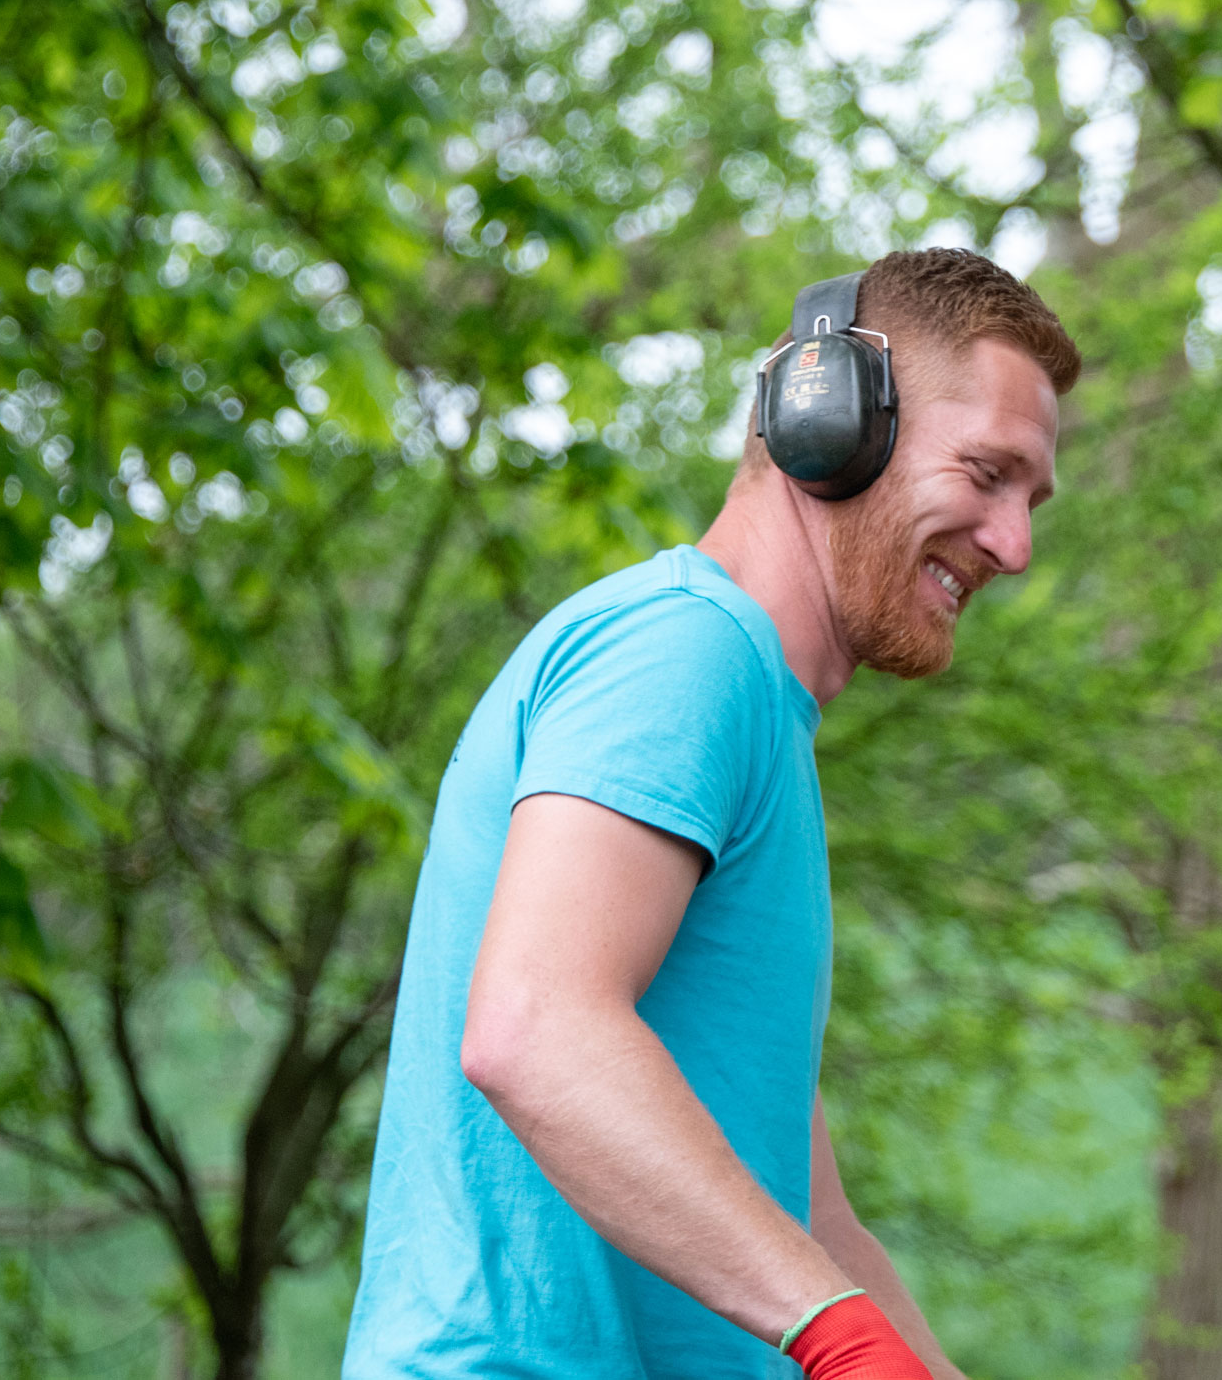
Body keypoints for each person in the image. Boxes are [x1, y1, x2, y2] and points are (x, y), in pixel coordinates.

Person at [341, 250, 1080, 1380]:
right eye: (987, 473)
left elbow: (807, 1219)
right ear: (830, 422)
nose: (1014, 543)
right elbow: (534, 1029)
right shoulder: (684, 654)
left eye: (1031, 500)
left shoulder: (756, 723)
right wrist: (840, 1343)